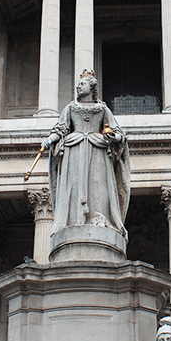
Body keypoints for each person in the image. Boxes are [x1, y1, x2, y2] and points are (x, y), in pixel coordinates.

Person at [41, 70, 130, 236]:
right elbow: (61, 129)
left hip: (98, 148)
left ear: (92, 86)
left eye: (82, 84)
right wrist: (49, 140)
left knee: (98, 183)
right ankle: (72, 218)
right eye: (77, 85)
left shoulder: (102, 108)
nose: (78, 87)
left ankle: (100, 216)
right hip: (74, 148)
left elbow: (118, 132)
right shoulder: (70, 108)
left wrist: (114, 136)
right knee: (73, 182)